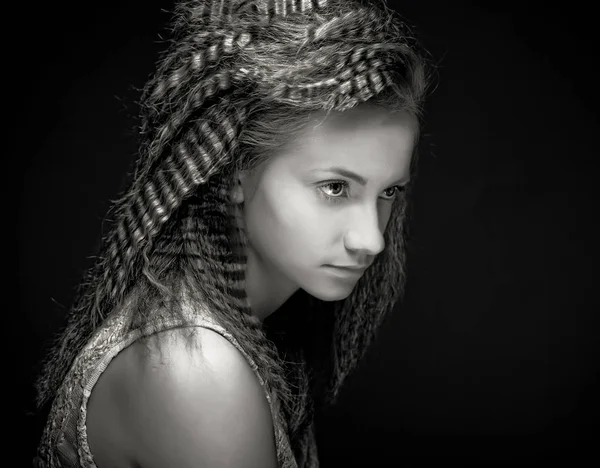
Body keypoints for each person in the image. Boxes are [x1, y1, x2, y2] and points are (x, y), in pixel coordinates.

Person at [33, 0, 434, 467]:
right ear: (236, 172)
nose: (371, 240)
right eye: (334, 187)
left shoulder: (236, 331)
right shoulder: (196, 370)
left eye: (389, 192)